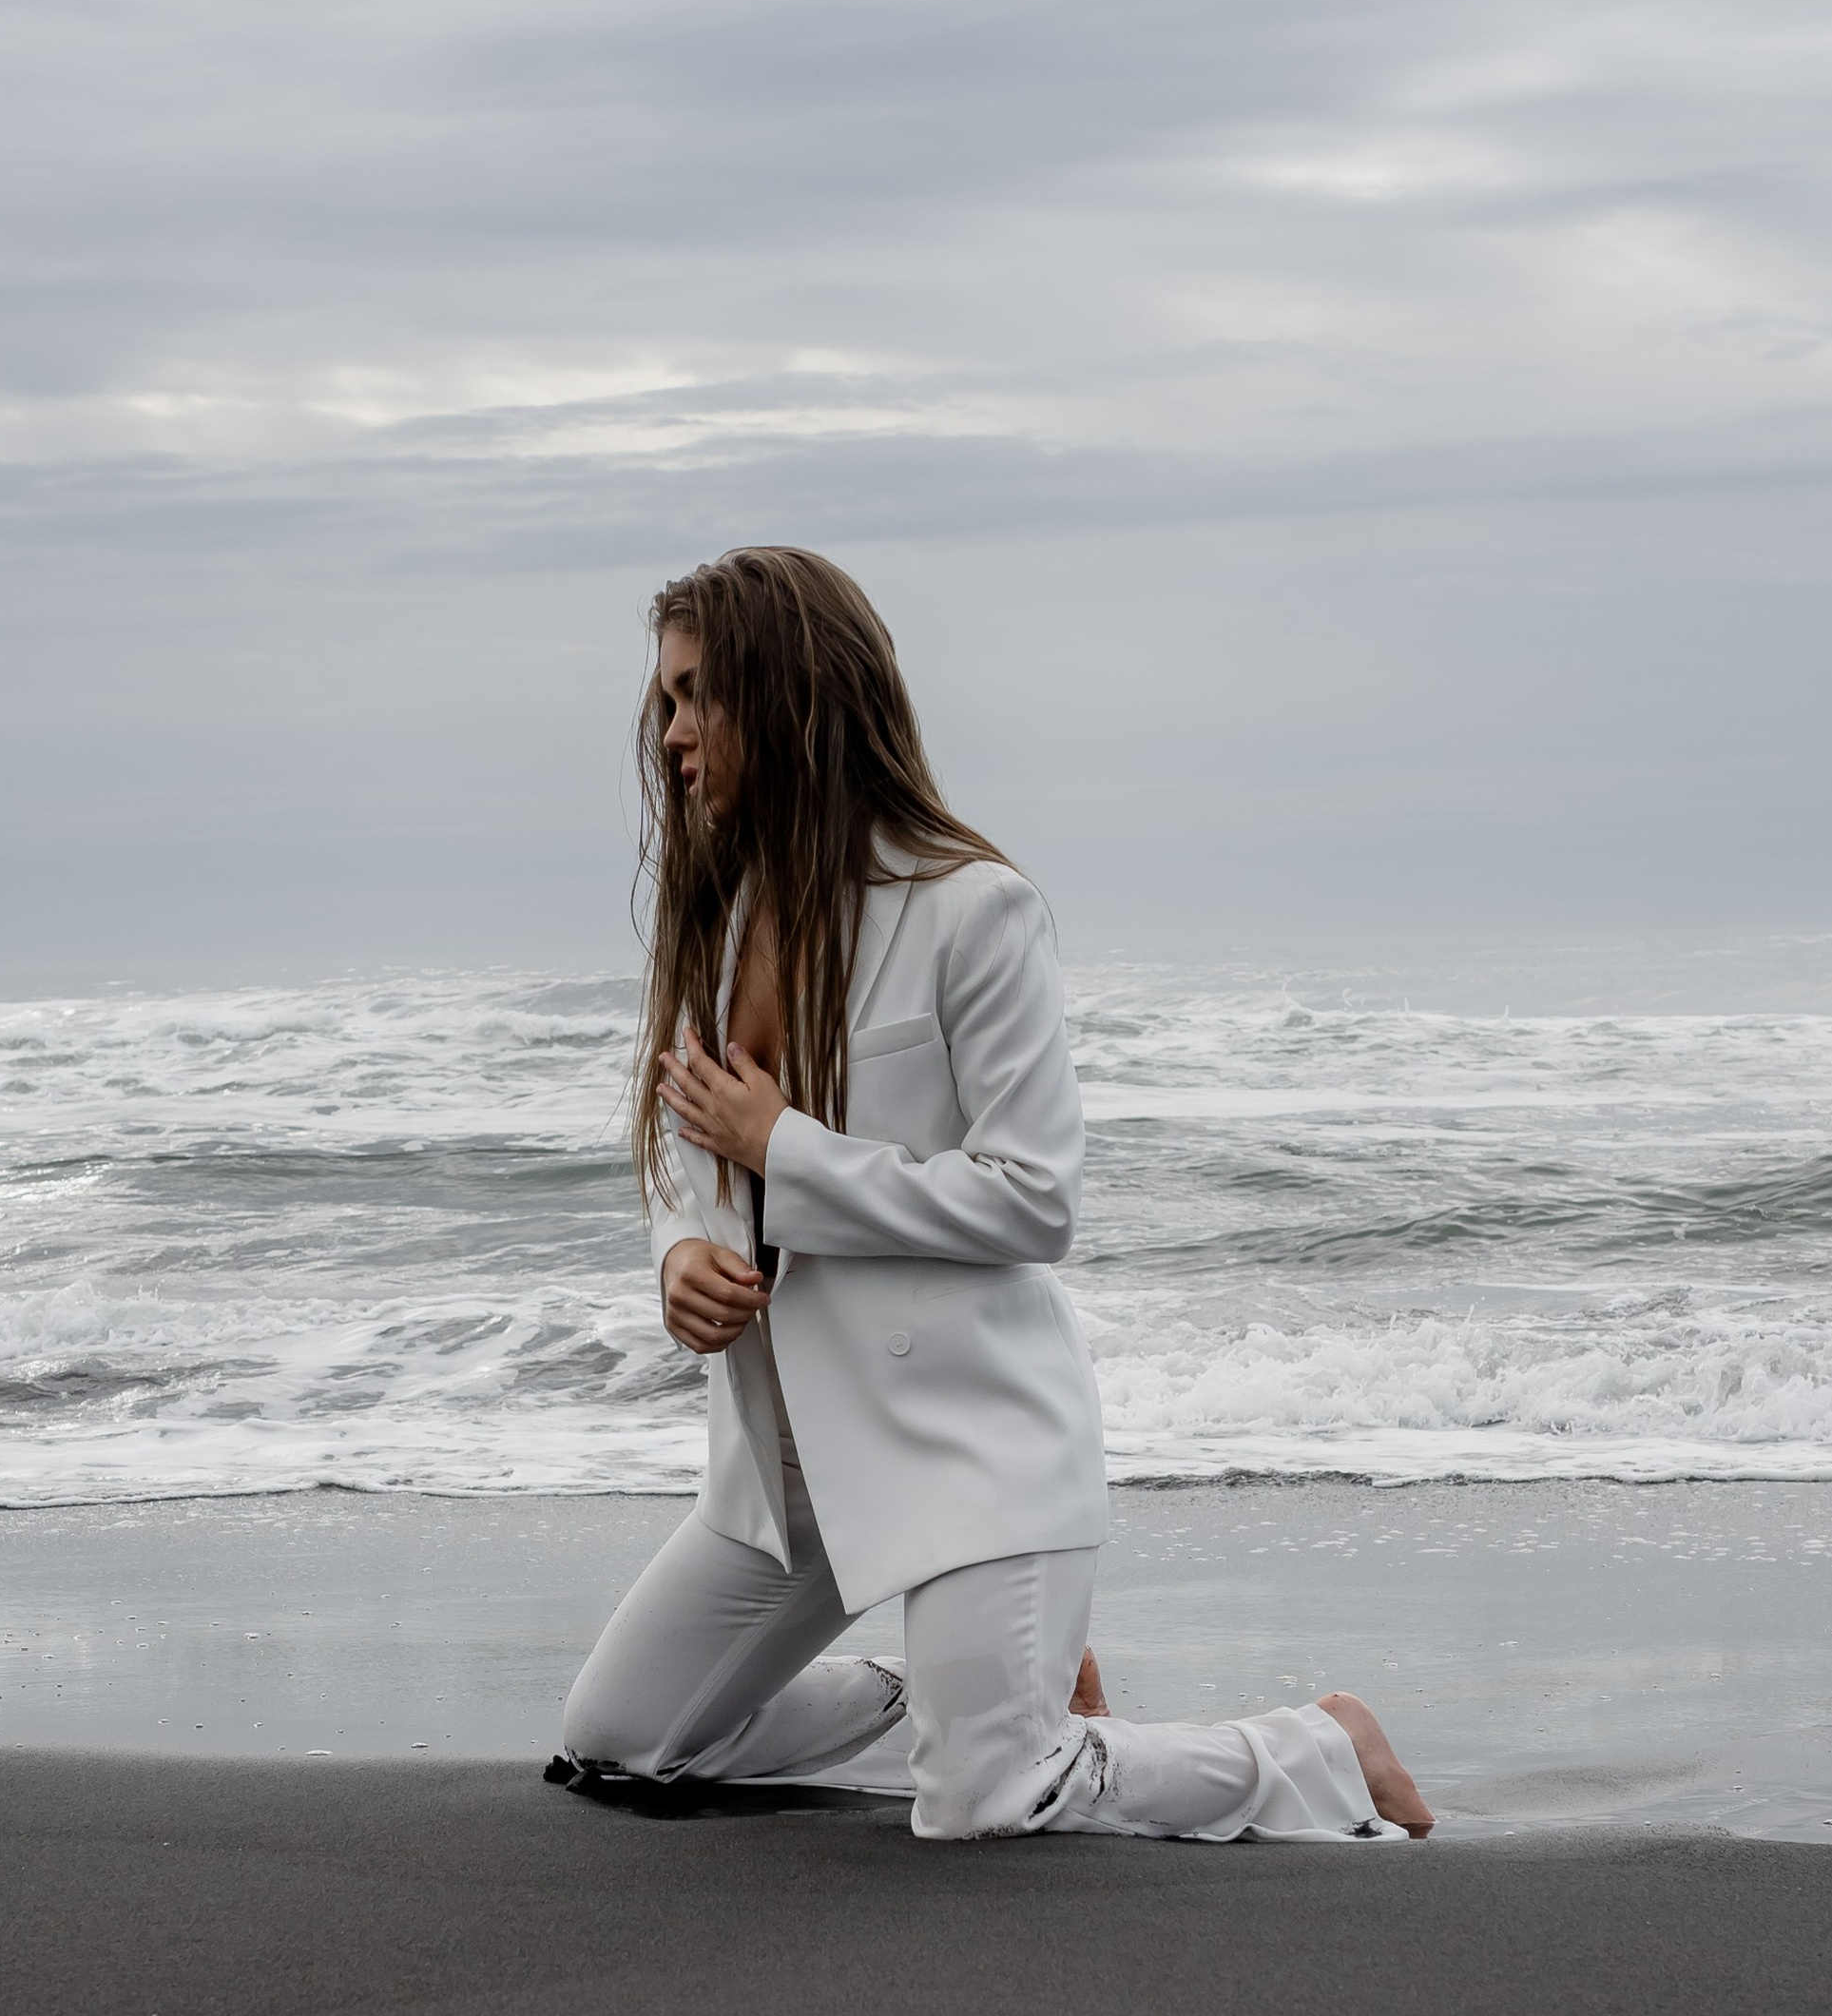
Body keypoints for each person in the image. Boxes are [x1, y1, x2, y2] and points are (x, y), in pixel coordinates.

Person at [555, 546, 1434, 1845]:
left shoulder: (973, 908)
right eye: (666, 703)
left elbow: (1035, 1201)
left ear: (792, 696)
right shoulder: (721, 915)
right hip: (785, 1466)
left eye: (697, 697)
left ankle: (1317, 1750)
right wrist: (683, 1249)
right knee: (617, 1745)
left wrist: (787, 1150)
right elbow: (691, 1150)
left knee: (982, 1805)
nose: (674, 735)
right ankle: (955, 1683)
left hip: (968, 1445)